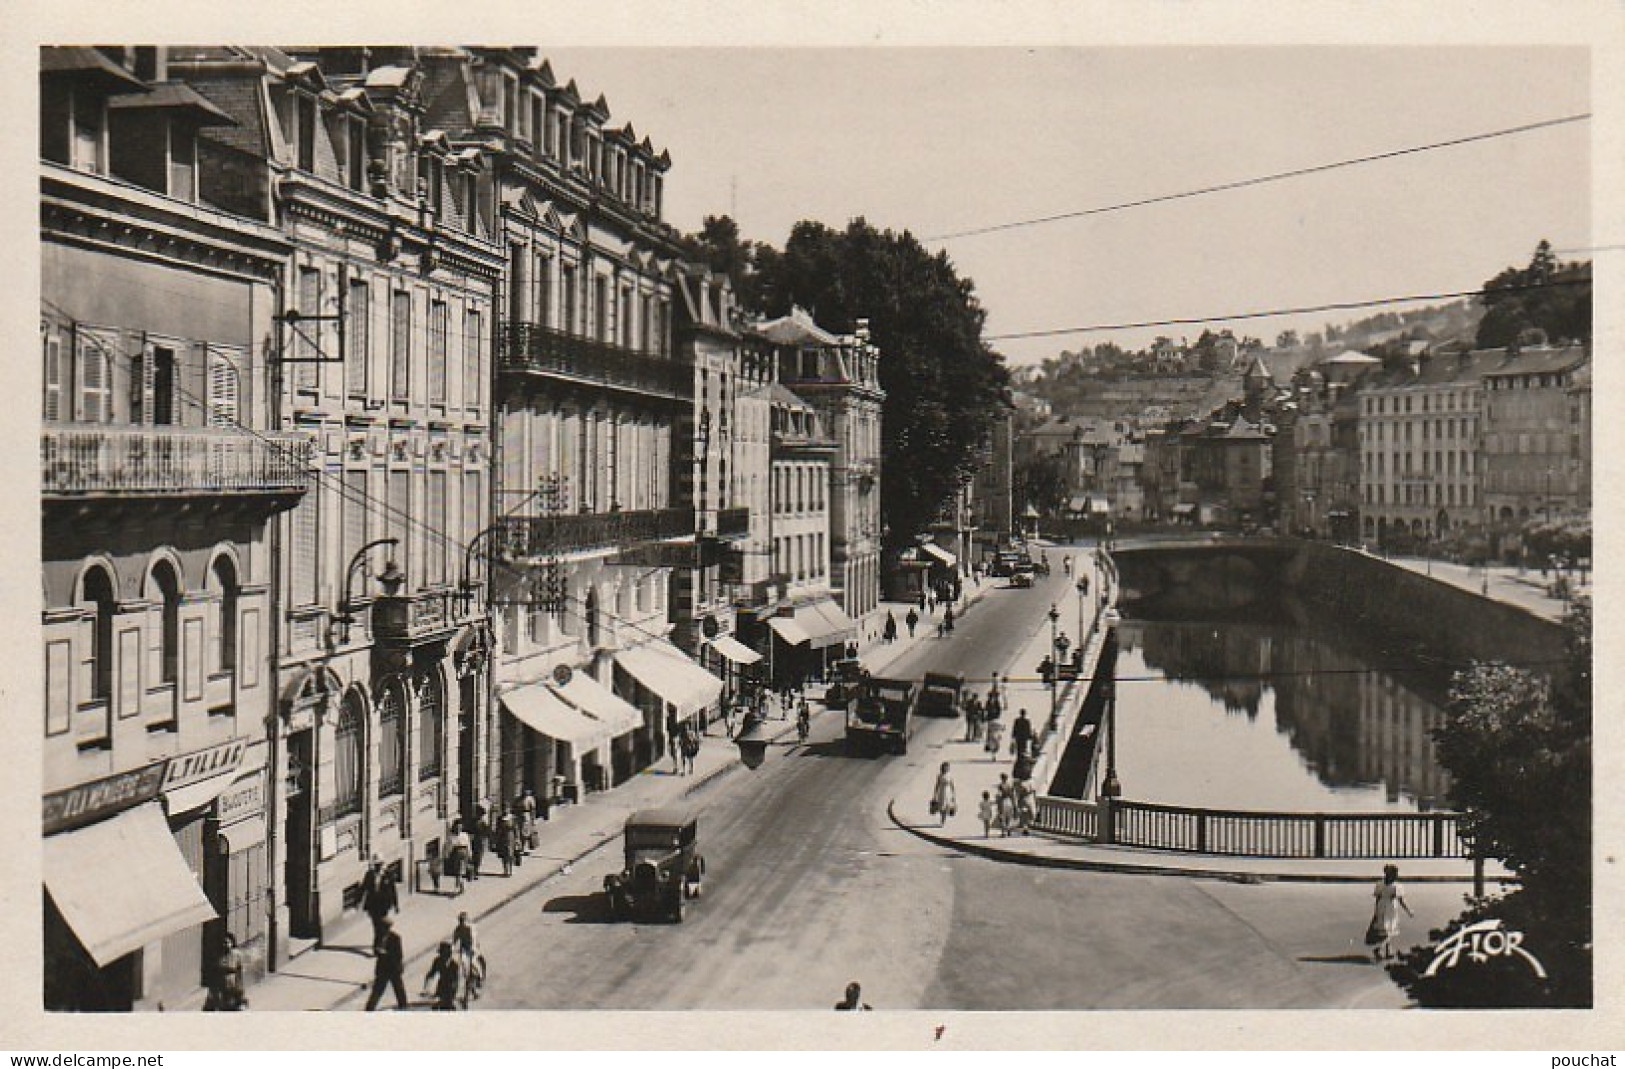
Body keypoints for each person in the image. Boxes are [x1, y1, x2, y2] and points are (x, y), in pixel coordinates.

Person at [1370, 864, 1414, 962]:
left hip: (1381, 907)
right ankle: (1379, 949)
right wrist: (1409, 911)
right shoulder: (1397, 886)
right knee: (1389, 932)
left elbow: (1377, 899)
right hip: (1391, 908)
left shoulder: (1379, 884)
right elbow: (1401, 900)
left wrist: (1376, 912)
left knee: (1385, 931)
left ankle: (1388, 952)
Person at [364, 916, 409, 1011]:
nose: (382, 929)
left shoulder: (395, 938)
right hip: (382, 968)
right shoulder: (378, 937)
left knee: (398, 988)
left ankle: (403, 1005)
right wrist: (378, 951)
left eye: (384, 927)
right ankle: (370, 1008)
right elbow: (375, 949)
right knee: (378, 989)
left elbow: (399, 954)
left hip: (393, 967)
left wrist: (387, 954)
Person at [360, 856, 398, 956]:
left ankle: (379, 945)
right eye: (376, 865)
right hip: (373, 906)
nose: (378, 867)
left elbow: (393, 890)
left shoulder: (388, 875)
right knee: (378, 926)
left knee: (382, 926)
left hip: (384, 905)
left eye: (379, 865)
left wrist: (395, 904)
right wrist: (358, 901)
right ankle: (378, 947)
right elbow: (364, 888)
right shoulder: (369, 875)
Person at [206, 933, 247, 1011]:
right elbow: (215, 972)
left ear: (232, 943)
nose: (225, 945)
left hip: (233, 984)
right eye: (224, 943)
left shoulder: (236, 955)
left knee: (235, 1006)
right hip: (222, 985)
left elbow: (240, 971)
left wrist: (240, 987)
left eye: (227, 942)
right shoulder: (219, 956)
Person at [452, 911, 484, 1006]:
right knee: (467, 974)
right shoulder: (458, 929)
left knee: (476, 970)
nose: (462, 922)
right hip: (465, 952)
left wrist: (474, 950)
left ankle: (477, 984)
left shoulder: (471, 928)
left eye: (463, 920)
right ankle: (470, 994)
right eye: (460, 920)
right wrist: (453, 949)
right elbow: (455, 941)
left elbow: (474, 940)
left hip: (472, 952)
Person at [422, 940, 462, 1011]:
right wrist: (426, 985)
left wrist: (454, 990)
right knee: (435, 1007)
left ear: (448, 954)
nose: (441, 955)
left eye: (442, 953)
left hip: (450, 989)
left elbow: (456, 980)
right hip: (441, 987)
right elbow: (432, 973)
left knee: (447, 1007)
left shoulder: (454, 965)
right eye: (440, 953)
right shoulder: (437, 961)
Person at [445, 818, 471, 896]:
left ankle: (460, 885)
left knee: (461, 870)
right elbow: (449, 847)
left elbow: (468, 845)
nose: (458, 829)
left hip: (464, 853)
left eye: (460, 827)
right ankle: (460, 885)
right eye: (457, 828)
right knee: (458, 871)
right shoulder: (452, 837)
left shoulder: (465, 835)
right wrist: (447, 855)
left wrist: (469, 854)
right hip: (456, 854)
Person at [930, 762, 957, 826]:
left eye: (947, 767)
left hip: (947, 793)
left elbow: (952, 785)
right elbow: (937, 785)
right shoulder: (939, 775)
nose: (946, 768)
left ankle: (943, 820)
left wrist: (953, 795)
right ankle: (941, 819)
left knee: (946, 807)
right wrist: (935, 794)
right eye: (945, 767)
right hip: (941, 792)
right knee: (941, 807)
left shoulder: (950, 776)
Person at [493, 808, 516, 877]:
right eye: (504, 809)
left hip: (510, 837)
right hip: (502, 837)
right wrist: (496, 839)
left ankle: (511, 870)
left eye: (507, 809)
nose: (505, 811)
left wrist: (517, 839)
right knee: (504, 854)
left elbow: (516, 828)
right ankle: (506, 870)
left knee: (510, 854)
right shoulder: (500, 818)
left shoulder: (512, 818)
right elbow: (497, 828)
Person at [469, 806, 489, 882]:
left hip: (480, 841)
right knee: (473, 857)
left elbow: (487, 832)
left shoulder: (483, 822)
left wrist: (485, 839)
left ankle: (475, 871)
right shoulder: (473, 822)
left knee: (478, 857)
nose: (480, 816)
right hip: (474, 841)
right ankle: (472, 872)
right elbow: (469, 831)